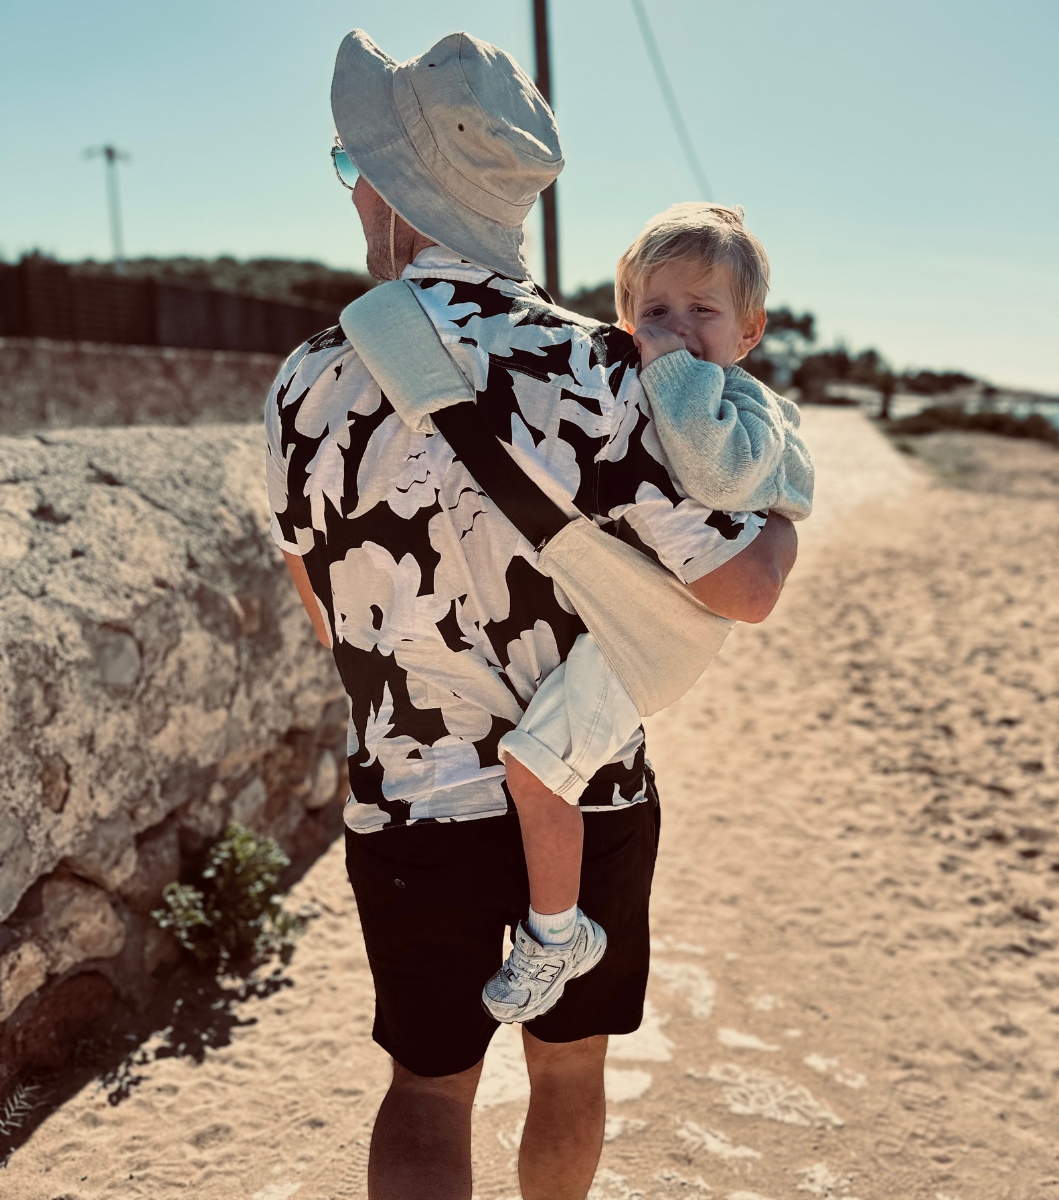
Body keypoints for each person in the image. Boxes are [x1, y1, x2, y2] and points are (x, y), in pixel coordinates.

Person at [265, 28, 797, 1200]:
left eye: (357, 171)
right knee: (568, 1074)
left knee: (424, 1090)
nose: (357, 197)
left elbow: (324, 611)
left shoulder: (302, 385)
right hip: (588, 784)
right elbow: (743, 590)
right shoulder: (608, 372)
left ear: (403, 197)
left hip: (407, 798)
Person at [487, 202, 814, 1023]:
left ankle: (557, 935)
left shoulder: (735, 403)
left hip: (653, 630)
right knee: (536, 762)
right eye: (653, 312)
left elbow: (720, 480)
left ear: (749, 332)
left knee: (534, 770)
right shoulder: (674, 385)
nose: (675, 331)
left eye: (702, 312)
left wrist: (672, 374)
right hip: (644, 610)